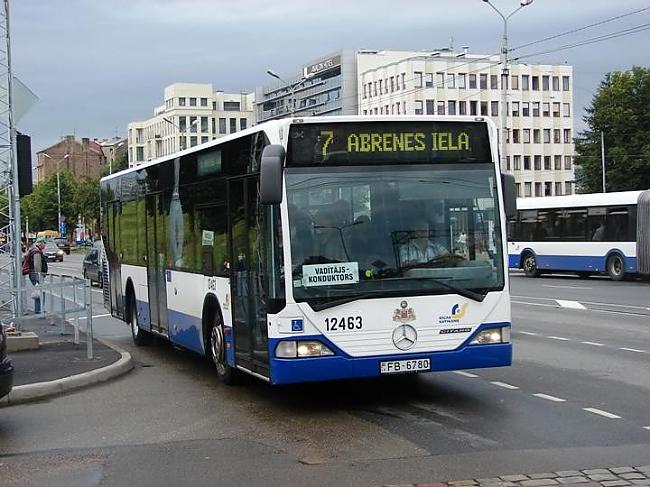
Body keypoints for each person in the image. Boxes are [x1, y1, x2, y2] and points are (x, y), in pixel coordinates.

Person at [22, 236, 48, 313]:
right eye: (44, 243)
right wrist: (39, 275)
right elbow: (37, 265)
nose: (45, 245)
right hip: (36, 274)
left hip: (33, 274)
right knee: (40, 292)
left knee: (38, 292)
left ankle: (38, 310)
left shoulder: (32, 250)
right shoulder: (36, 252)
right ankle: (39, 310)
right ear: (41, 243)